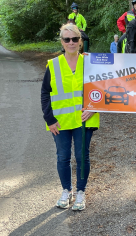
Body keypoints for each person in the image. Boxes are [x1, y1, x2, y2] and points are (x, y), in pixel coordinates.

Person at [41, 23, 100, 211]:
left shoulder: (91, 63)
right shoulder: (53, 64)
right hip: (60, 121)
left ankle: (81, 192)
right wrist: (49, 119)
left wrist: (94, 107)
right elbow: (45, 93)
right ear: (62, 42)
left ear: (80, 41)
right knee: (63, 157)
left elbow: (102, 89)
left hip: (85, 120)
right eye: (67, 39)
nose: (71, 42)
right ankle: (67, 190)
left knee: (82, 157)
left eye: (75, 39)